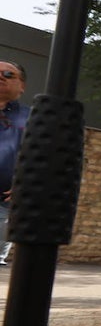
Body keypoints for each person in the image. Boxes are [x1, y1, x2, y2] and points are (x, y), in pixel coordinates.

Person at [0, 60, 31, 266]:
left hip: (3, 202)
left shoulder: (32, 118)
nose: (1, 76)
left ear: (22, 86)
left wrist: (25, 183)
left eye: (8, 74)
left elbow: (41, 157)